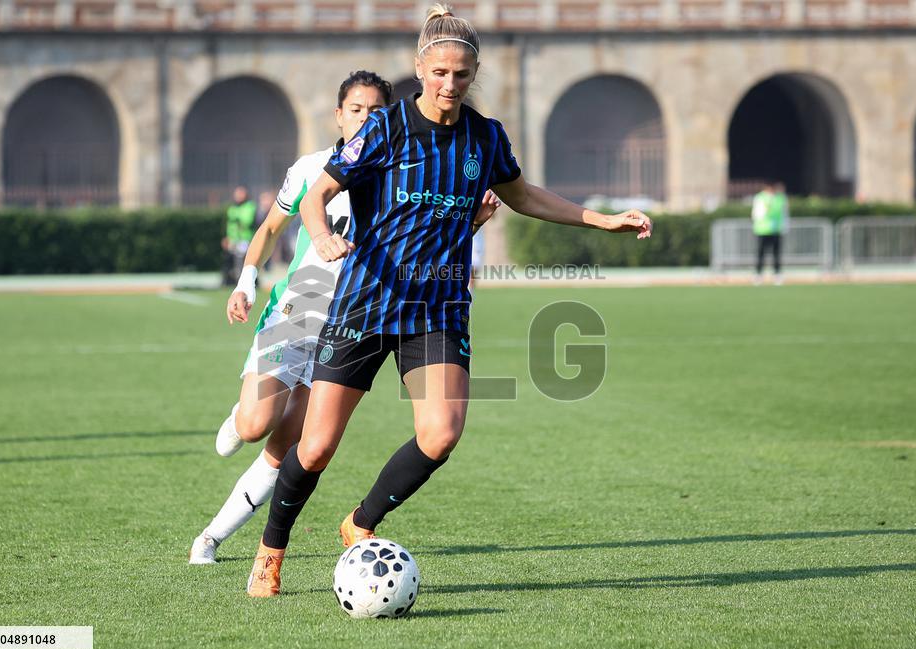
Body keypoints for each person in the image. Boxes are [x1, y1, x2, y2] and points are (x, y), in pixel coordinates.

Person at [245, 3, 651, 597]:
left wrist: (599, 219)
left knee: (441, 433)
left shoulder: (485, 136)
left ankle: (359, 523)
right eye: (439, 72)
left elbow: (523, 195)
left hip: (437, 309)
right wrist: (326, 233)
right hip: (366, 301)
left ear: (474, 73)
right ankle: (270, 551)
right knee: (317, 443)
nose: (449, 84)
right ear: (420, 68)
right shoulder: (385, 128)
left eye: (461, 74)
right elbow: (320, 190)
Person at [189, 71, 501, 564]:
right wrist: (247, 280)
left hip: (358, 317)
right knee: (254, 424)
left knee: (298, 445)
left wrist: (472, 222)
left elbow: (436, 226)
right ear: (338, 115)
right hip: (300, 311)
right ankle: (239, 415)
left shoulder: (406, 162)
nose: (366, 118)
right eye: (356, 109)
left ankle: (213, 536)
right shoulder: (313, 167)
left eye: (377, 111)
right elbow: (272, 226)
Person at [752, 181, 787, 285]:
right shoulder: (760, 198)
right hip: (762, 230)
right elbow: (756, 214)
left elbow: (784, 213)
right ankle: (758, 275)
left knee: (776, 254)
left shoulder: (780, 198)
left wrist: (784, 227)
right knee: (761, 254)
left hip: (776, 230)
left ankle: (777, 275)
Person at [222, 186, 257, 286]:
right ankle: (230, 282)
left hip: (244, 239)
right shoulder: (232, 207)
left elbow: (247, 221)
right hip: (233, 240)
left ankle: (249, 283)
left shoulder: (249, 206)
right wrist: (228, 237)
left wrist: (238, 219)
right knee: (231, 262)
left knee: (244, 262)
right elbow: (230, 225)